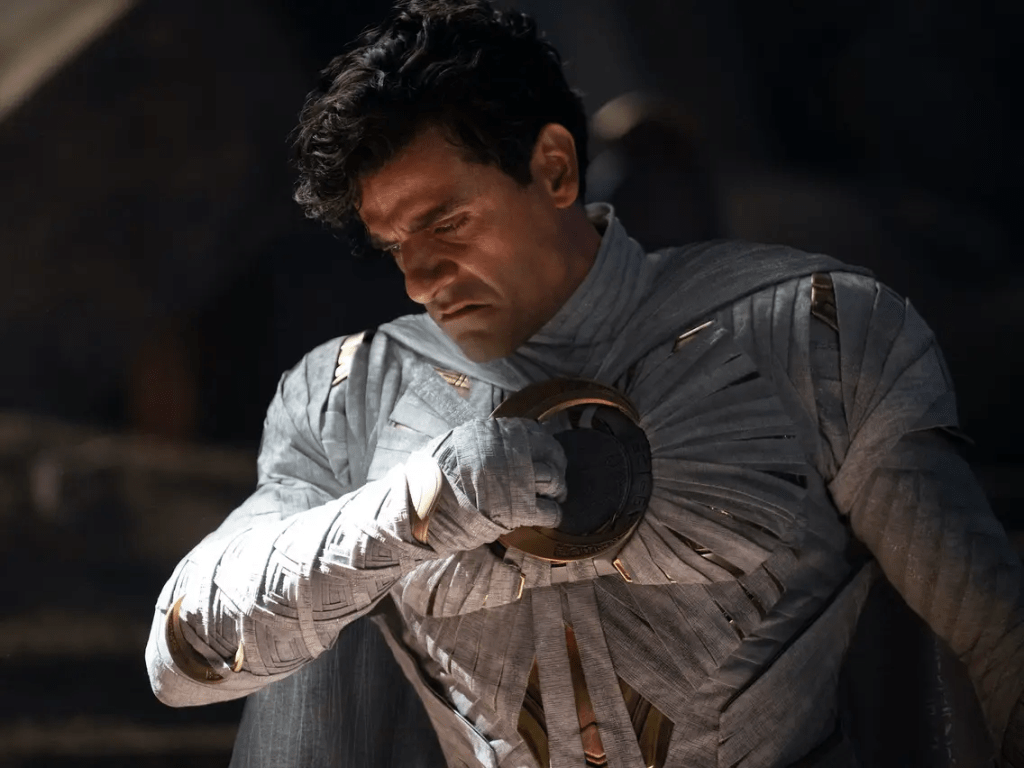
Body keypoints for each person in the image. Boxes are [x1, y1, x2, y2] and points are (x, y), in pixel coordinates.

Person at [146, 1, 1024, 766]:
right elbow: (184, 651)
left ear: (556, 170)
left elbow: (992, 632)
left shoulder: (813, 331)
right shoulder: (349, 394)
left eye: (446, 223)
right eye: (394, 246)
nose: (419, 280)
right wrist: (409, 512)